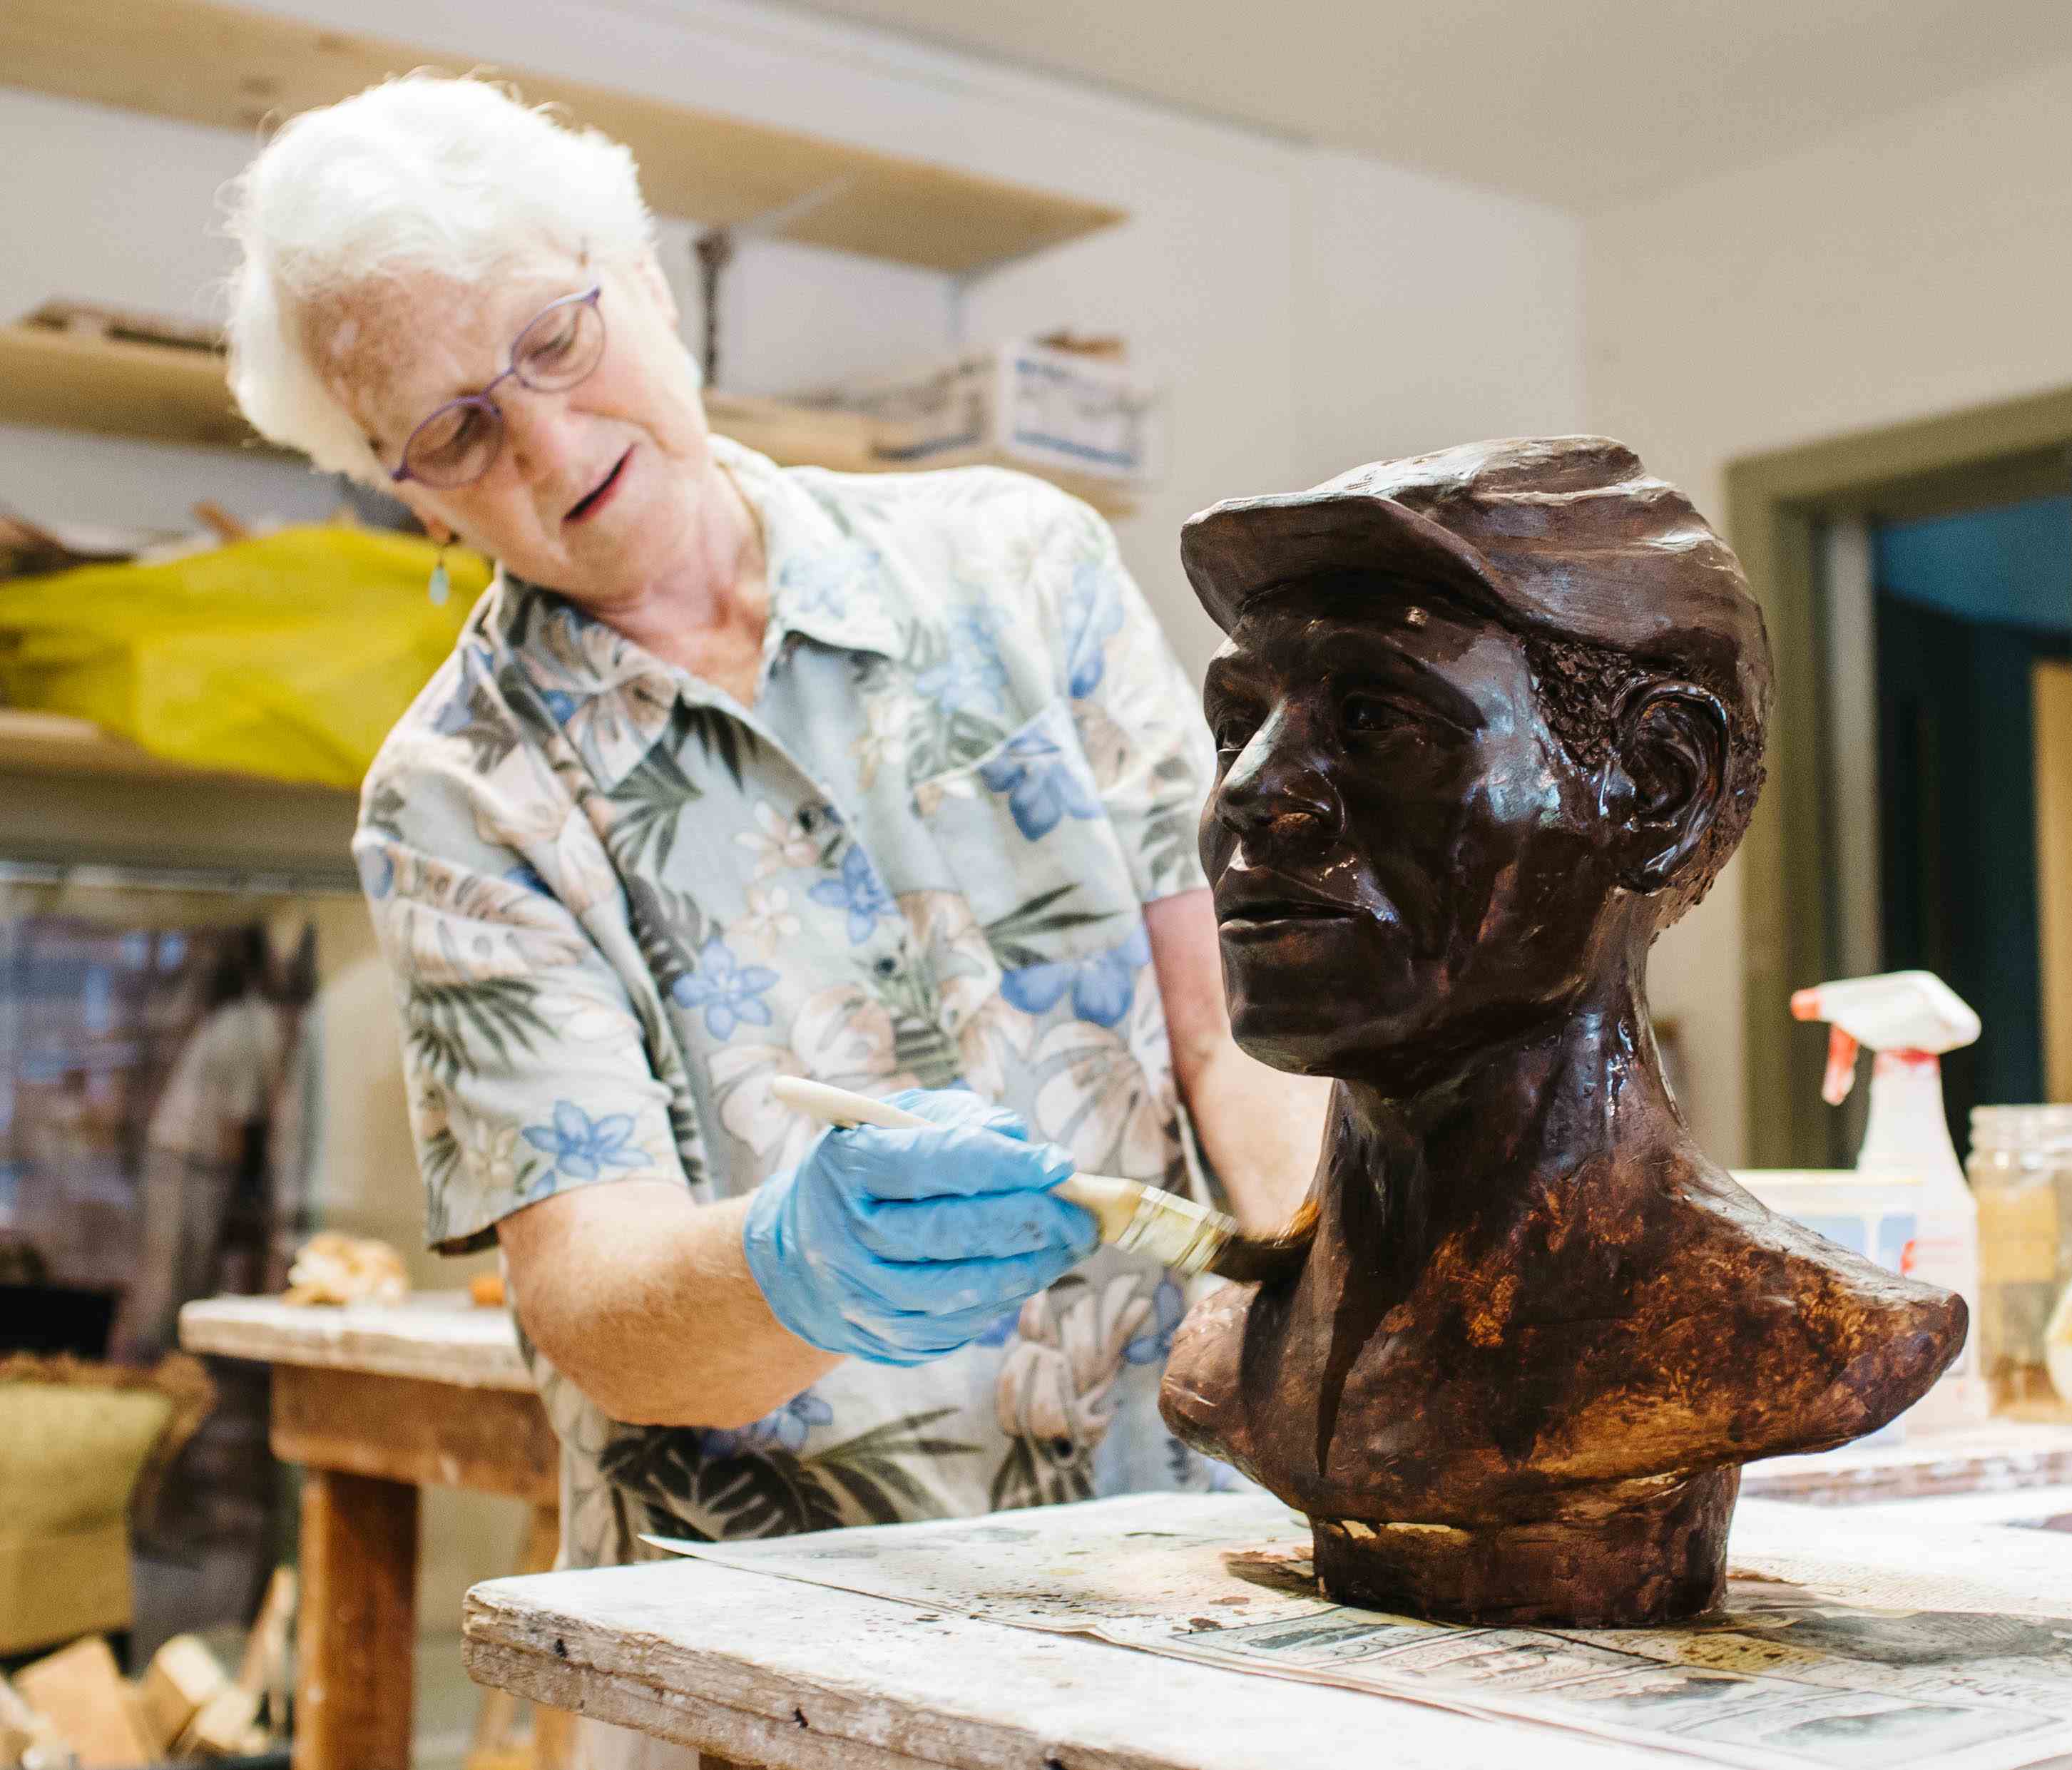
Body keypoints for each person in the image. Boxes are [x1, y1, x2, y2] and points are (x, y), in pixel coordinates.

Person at [220, 73, 1326, 1580]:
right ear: (408, 496)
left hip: (1182, 1542)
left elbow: (1237, 1036)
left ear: (646, 278)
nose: (544, 444)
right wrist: (790, 1265)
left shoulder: (1022, 567)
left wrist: (1365, 1261)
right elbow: (598, 1304)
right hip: (778, 1633)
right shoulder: (459, 803)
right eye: (455, 431)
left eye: (554, 340)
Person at [1158, 438, 1963, 1625]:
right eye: (1238, 727)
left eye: (1379, 722)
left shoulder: (1775, 1336)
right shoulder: (1235, 1352)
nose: (1251, 793)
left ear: (1653, 788)